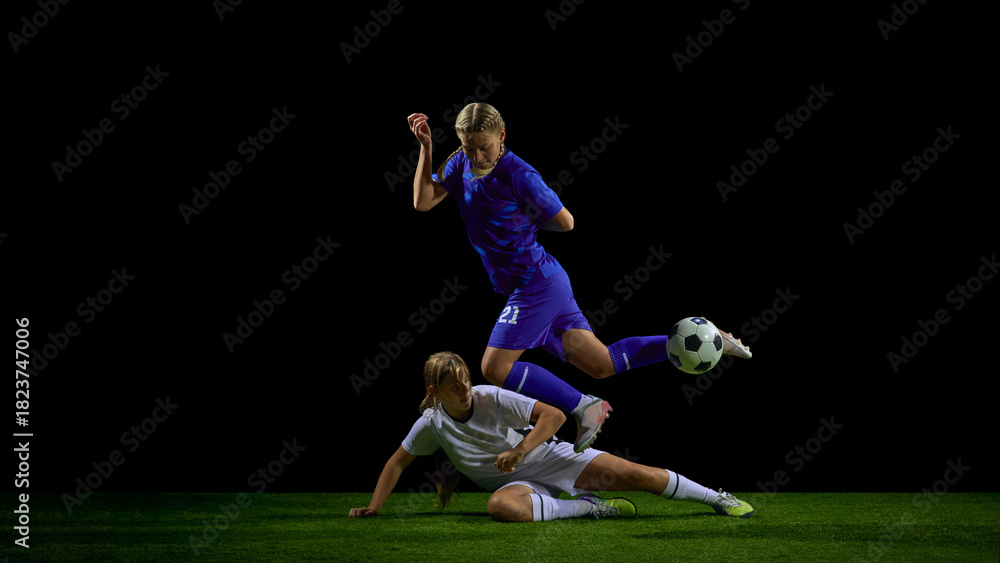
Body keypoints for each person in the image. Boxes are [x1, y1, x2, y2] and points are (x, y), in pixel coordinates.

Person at [406, 104, 752, 452]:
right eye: (470, 147)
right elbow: (423, 201)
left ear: (502, 136)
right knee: (602, 364)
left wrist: (524, 221)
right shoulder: (458, 164)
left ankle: (583, 405)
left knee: (494, 367)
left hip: (536, 284)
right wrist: (426, 147)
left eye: (486, 146)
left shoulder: (519, 175)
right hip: (537, 285)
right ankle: (709, 336)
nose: (478, 155)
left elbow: (566, 222)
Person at [348, 352, 753, 522]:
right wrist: (374, 507)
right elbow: (397, 461)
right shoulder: (431, 422)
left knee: (639, 475)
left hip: (550, 457)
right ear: (435, 393)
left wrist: (521, 448)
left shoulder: (491, 396)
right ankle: (591, 509)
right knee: (500, 507)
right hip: (517, 485)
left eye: (466, 380)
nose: (466, 389)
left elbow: (555, 415)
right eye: (455, 387)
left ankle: (716, 498)